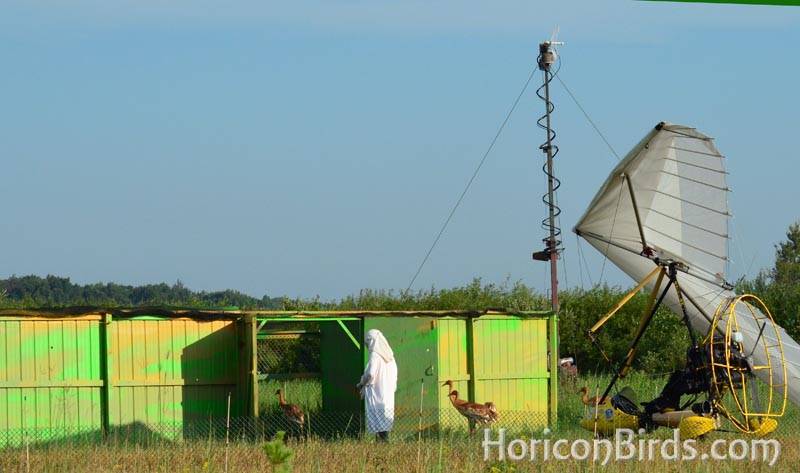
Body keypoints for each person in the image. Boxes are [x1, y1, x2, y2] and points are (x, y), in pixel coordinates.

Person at [356, 329, 398, 442]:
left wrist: (362, 383)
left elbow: (370, 373)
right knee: (385, 416)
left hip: (376, 392)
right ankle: (382, 440)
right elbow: (395, 375)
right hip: (387, 393)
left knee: (377, 415)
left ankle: (381, 441)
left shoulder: (375, 355)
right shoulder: (391, 357)